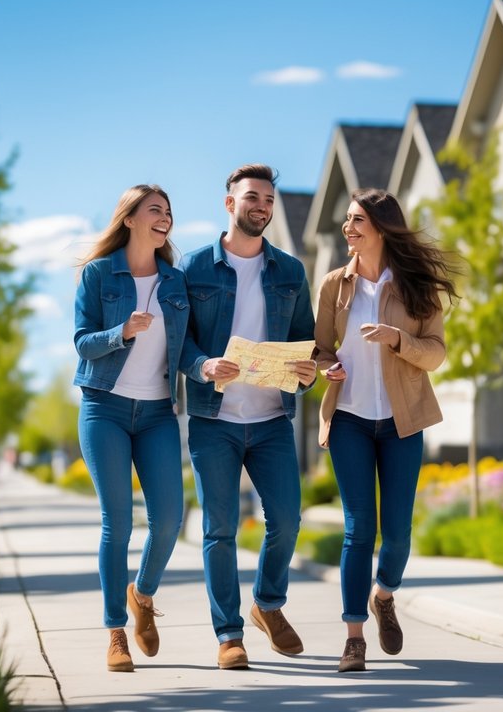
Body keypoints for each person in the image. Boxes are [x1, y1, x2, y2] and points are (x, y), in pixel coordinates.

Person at [313, 188, 460, 672]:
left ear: (381, 226)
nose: (348, 228)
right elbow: (321, 349)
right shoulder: (335, 285)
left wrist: (399, 340)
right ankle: (354, 637)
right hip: (350, 419)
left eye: (356, 220)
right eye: (347, 220)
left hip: (403, 421)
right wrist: (328, 366)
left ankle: (384, 596)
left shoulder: (417, 285)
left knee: (396, 534)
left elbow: (436, 353)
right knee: (359, 529)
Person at [179, 164, 317, 670]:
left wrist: (308, 369)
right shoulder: (193, 269)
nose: (262, 206)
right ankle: (229, 634)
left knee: (285, 519)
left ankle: (267, 603)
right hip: (214, 419)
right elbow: (179, 343)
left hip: (271, 419)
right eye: (252, 197)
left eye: (269, 200)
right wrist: (202, 363)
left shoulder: (289, 271)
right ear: (229, 203)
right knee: (219, 530)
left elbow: (308, 342)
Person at [73, 184, 195, 673]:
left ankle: (141, 595)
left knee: (169, 519)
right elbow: (82, 343)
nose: (165, 217)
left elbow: (185, 349)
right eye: (155, 210)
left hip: (158, 413)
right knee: (117, 523)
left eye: (168, 211)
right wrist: (120, 331)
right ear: (130, 218)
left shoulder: (176, 282)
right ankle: (115, 632)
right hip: (105, 408)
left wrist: (206, 366)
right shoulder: (100, 274)